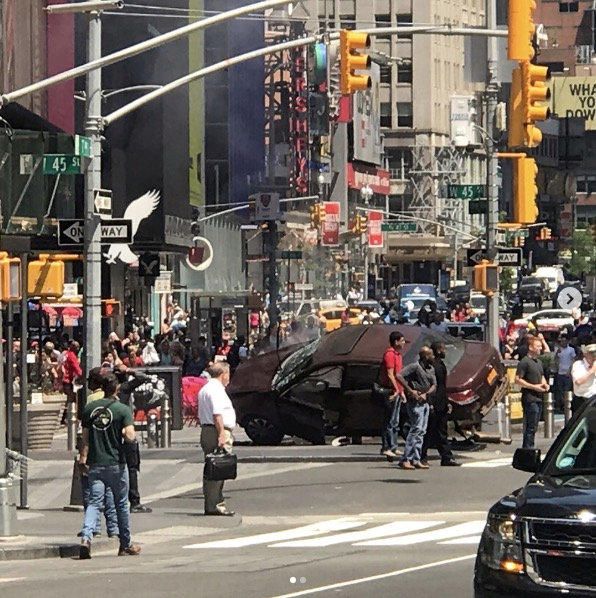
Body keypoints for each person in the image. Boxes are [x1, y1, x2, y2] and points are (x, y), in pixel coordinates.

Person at [78, 373, 141, 559]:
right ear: (116, 389)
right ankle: (125, 544)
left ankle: (86, 537)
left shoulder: (90, 409)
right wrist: (124, 432)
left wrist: (83, 458)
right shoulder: (122, 410)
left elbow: (85, 438)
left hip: (96, 463)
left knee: (94, 503)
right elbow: (130, 436)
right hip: (116, 463)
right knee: (121, 503)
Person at [79, 368, 118, 540]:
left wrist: (83, 456)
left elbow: (86, 432)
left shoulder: (92, 401)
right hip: (112, 454)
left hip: (95, 453)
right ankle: (114, 529)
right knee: (111, 495)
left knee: (93, 496)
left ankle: (93, 528)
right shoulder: (114, 400)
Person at [198, 363, 237, 516]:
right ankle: (215, 505)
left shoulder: (205, 389)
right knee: (218, 469)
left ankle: (212, 502)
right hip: (216, 431)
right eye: (228, 374)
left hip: (207, 430)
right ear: (223, 374)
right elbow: (217, 414)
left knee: (212, 468)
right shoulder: (216, 390)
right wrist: (221, 433)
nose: (229, 378)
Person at [398, 347, 437, 470]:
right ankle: (406, 459)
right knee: (415, 429)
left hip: (425, 402)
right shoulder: (414, 367)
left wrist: (427, 394)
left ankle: (416, 458)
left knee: (422, 431)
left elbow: (434, 384)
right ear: (425, 356)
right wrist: (410, 390)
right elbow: (399, 375)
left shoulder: (431, 369)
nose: (433, 357)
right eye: (431, 355)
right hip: (415, 402)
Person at [421, 342, 459, 467]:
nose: (445, 352)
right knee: (429, 431)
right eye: (442, 349)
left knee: (442, 431)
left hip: (442, 402)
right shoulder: (434, 367)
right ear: (437, 351)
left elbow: (443, 386)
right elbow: (434, 386)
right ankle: (422, 456)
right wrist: (431, 403)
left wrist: (447, 401)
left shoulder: (440, 364)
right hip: (434, 402)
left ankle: (446, 457)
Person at [378, 332, 412, 461]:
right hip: (390, 391)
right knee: (389, 421)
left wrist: (401, 390)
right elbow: (390, 374)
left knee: (395, 421)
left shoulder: (399, 355)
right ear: (396, 342)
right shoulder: (390, 354)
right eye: (402, 341)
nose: (403, 343)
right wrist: (396, 389)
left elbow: (399, 375)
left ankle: (393, 446)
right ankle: (386, 447)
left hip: (397, 390)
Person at [515, 336, 549, 449]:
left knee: (534, 426)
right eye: (537, 346)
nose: (540, 348)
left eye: (540, 346)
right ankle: (527, 448)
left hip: (539, 397)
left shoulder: (538, 362)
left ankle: (530, 446)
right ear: (531, 347)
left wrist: (544, 384)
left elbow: (542, 375)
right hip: (530, 398)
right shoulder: (524, 362)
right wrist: (534, 387)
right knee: (530, 426)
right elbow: (518, 380)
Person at [571, 343, 596, 413]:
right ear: (585, 354)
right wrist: (592, 371)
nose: (594, 356)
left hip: (594, 399)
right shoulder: (578, 365)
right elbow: (578, 382)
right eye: (592, 353)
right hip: (582, 400)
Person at [553, 335, 576, 411]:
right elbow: (555, 360)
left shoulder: (571, 350)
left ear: (567, 341)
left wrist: (570, 371)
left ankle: (567, 404)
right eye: (562, 341)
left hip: (567, 373)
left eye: (564, 341)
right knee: (560, 390)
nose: (563, 342)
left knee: (567, 389)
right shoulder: (559, 349)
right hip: (560, 372)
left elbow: (573, 360)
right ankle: (562, 405)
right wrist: (557, 353)